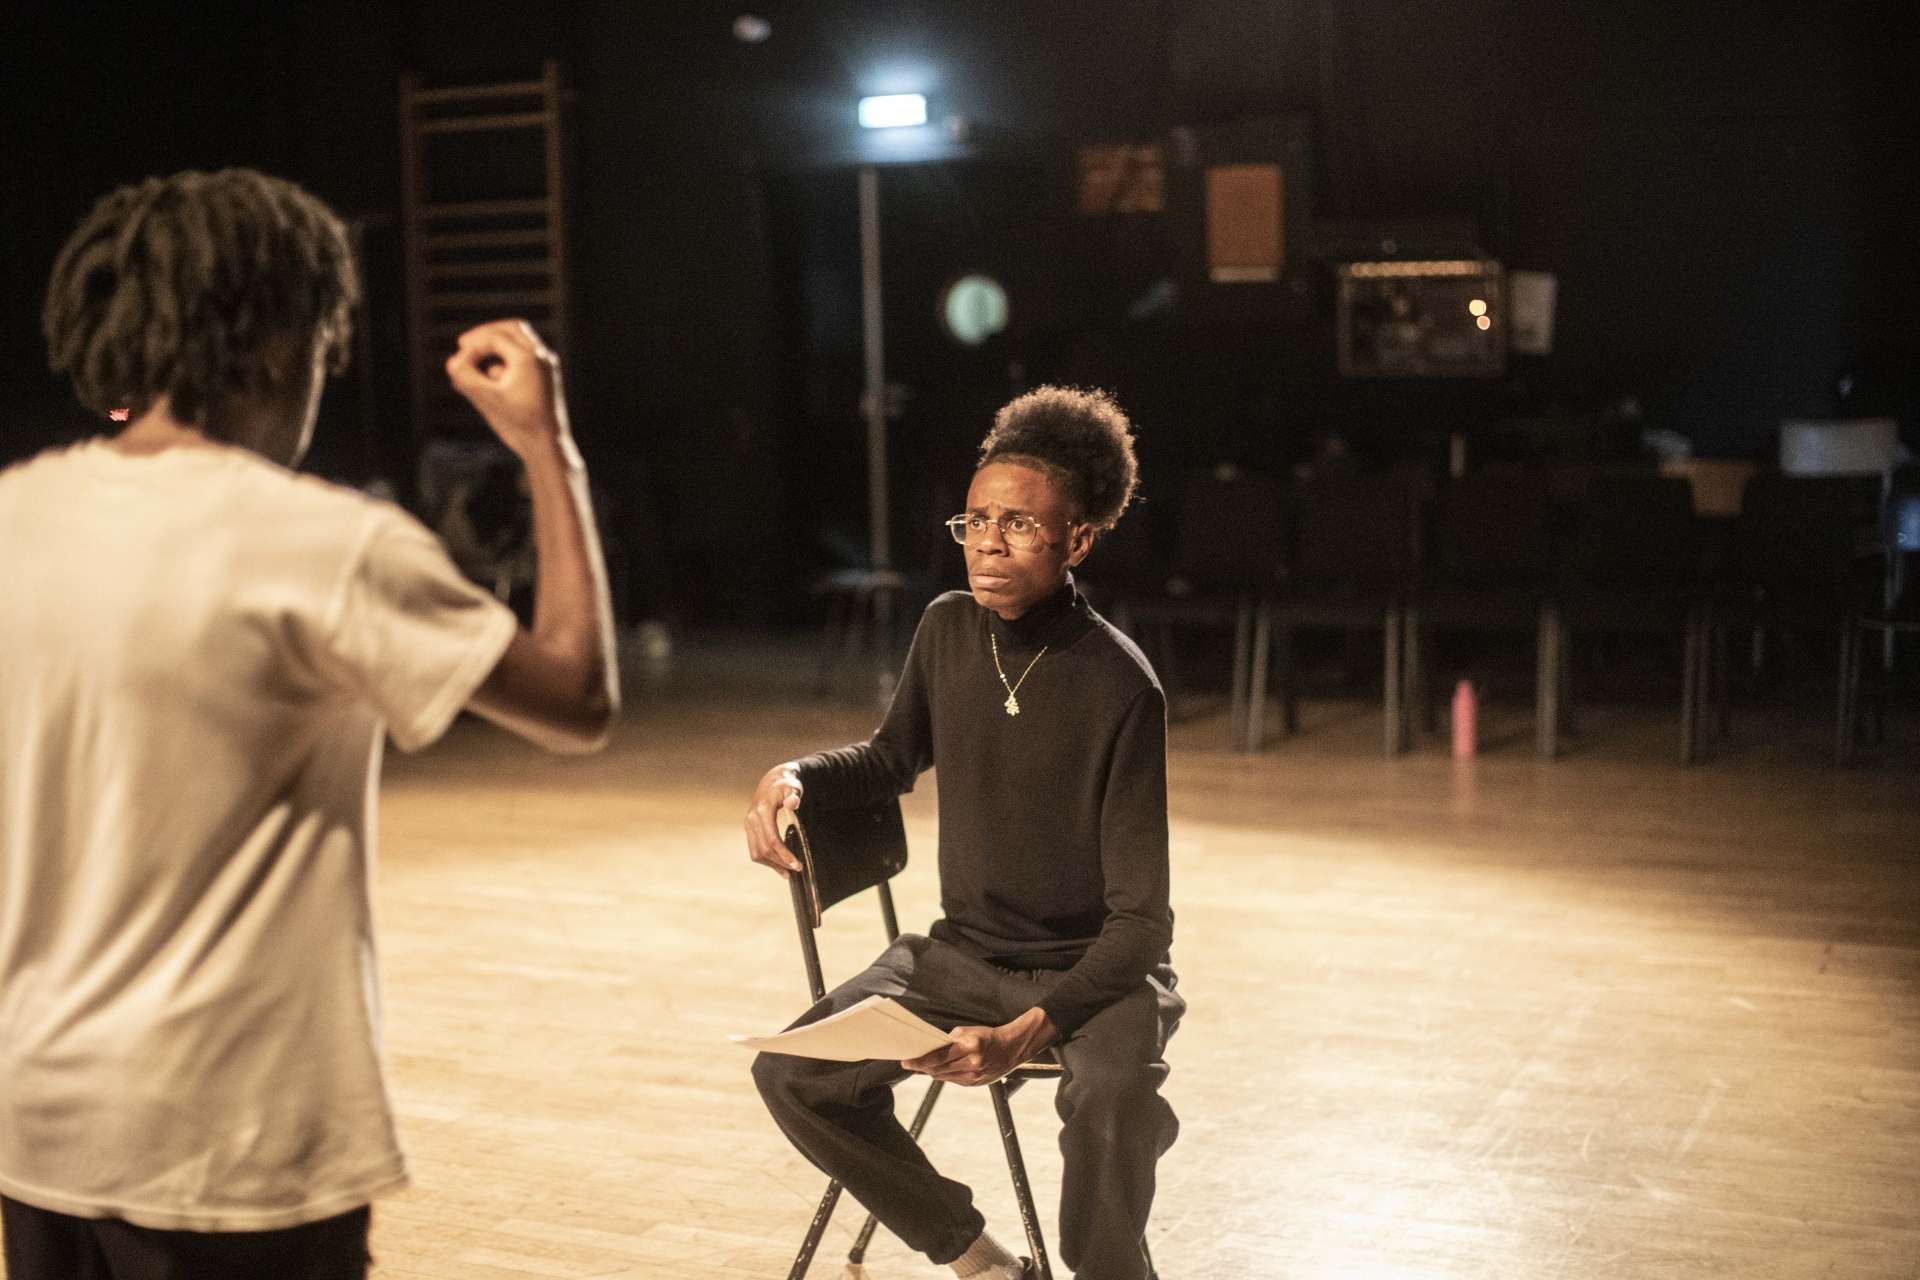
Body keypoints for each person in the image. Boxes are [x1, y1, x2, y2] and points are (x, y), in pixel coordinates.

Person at [0, 168, 619, 1279]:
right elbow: (576, 697)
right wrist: (546, 446)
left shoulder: (15, 516)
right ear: (286, 341)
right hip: (229, 1145)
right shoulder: (322, 541)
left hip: (37, 1123)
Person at [743, 386, 1181, 1280]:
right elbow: (892, 757)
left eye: (1019, 524)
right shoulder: (947, 629)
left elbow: (1142, 927)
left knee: (1110, 1098)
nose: (988, 542)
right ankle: (977, 1257)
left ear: (1079, 540)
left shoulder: (1121, 685)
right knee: (791, 1075)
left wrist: (1028, 1031)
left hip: (1089, 974)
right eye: (976, 520)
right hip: (959, 958)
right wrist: (795, 774)